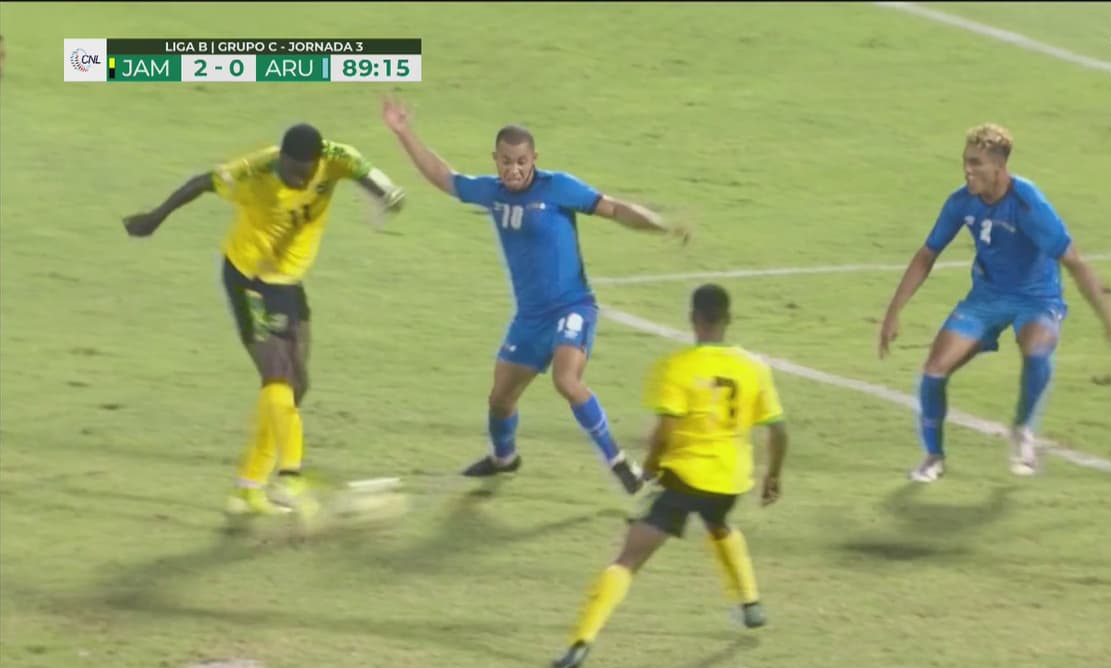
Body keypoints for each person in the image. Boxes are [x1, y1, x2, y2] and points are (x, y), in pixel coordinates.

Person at [380, 95, 690, 494]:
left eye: (521, 161)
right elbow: (443, 177)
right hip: (530, 318)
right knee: (500, 400)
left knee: (566, 379)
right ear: (496, 160)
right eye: (506, 161)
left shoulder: (558, 187)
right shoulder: (492, 192)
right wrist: (403, 132)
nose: (514, 169)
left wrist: (660, 225)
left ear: (534, 159)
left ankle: (618, 462)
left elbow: (614, 209)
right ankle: (504, 458)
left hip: (572, 306)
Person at [122, 124, 406, 521]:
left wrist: (386, 193)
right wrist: (155, 217)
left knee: (297, 384)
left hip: (287, 282)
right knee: (278, 374)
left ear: (317, 162)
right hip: (248, 277)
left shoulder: (336, 158)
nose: (296, 180)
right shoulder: (254, 171)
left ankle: (248, 489)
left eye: (303, 173)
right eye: (289, 171)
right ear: (280, 159)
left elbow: (368, 174)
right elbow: (201, 182)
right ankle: (290, 477)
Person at [551, 284, 788, 668]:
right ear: (728, 319)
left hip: (684, 479)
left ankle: (581, 641)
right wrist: (772, 476)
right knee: (718, 523)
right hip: (730, 481)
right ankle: (751, 603)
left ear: (693, 318)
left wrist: (650, 468)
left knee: (629, 558)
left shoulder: (676, 367)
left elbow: (665, 433)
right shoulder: (754, 367)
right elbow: (778, 430)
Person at [878, 123, 1111, 482]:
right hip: (986, 298)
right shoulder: (961, 202)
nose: (967, 170)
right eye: (965, 161)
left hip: (1036, 299)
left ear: (999, 166)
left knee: (1037, 351)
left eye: (976, 163)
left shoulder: (1028, 204)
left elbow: (1074, 262)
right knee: (934, 370)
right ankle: (933, 456)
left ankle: (1022, 428)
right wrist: (893, 312)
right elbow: (926, 255)